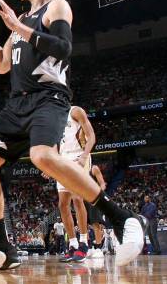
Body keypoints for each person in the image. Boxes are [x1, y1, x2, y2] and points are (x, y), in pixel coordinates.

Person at [0, 0, 146, 272]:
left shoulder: (57, 6)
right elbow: (1, 65)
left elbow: (63, 48)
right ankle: (1, 248)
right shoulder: (20, 19)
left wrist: (18, 29)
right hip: (16, 104)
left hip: (49, 97)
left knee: (42, 156)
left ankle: (122, 218)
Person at [56, 105, 96, 263]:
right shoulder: (53, 116)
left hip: (79, 156)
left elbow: (91, 136)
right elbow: (57, 143)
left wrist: (84, 156)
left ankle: (84, 243)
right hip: (62, 159)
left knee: (77, 199)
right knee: (62, 204)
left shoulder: (76, 111)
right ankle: (72, 244)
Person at [86, 165, 107, 258]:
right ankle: (88, 248)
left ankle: (98, 248)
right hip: (82, 198)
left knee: (95, 224)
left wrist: (98, 194)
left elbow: (103, 184)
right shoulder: (78, 168)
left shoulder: (93, 168)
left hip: (94, 198)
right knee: (83, 225)